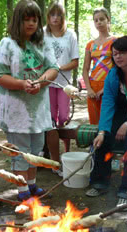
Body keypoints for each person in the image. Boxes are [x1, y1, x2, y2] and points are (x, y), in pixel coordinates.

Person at [0, 0, 58, 201]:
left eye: (35, 19)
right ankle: (22, 191)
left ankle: (31, 185)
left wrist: (39, 81)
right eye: (26, 19)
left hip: (38, 109)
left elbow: (53, 69)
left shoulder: (43, 43)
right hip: (16, 110)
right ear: (17, 21)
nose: (31, 23)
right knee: (21, 152)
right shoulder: (7, 44)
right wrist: (22, 84)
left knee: (36, 149)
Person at [86, 36, 127, 207]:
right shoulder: (113, 75)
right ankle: (100, 181)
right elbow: (107, 104)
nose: (118, 57)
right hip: (120, 116)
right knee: (102, 139)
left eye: (122, 53)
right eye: (115, 54)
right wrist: (102, 131)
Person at [44, 1, 79, 176]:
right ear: (48, 16)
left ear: (63, 17)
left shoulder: (70, 34)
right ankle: (52, 158)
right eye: (52, 15)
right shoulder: (42, 33)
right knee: (49, 121)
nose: (55, 18)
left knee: (64, 119)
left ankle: (66, 155)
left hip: (64, 83)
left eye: (58, 15)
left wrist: (59, 68)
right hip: (46, 83)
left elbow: (75, 61)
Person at [82, 7, 116, 125]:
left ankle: (108, 143)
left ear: (108, 20)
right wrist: (89, 89)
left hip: (109, 84)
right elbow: (85, 69)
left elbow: (118, 68)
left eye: (102, 19)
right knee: (94, 121)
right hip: (93, 86)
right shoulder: (90, 45)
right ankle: (95, 143)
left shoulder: (115, 41)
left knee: (108, 119)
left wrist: (105, 88)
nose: (99, 22)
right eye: (96, 20)